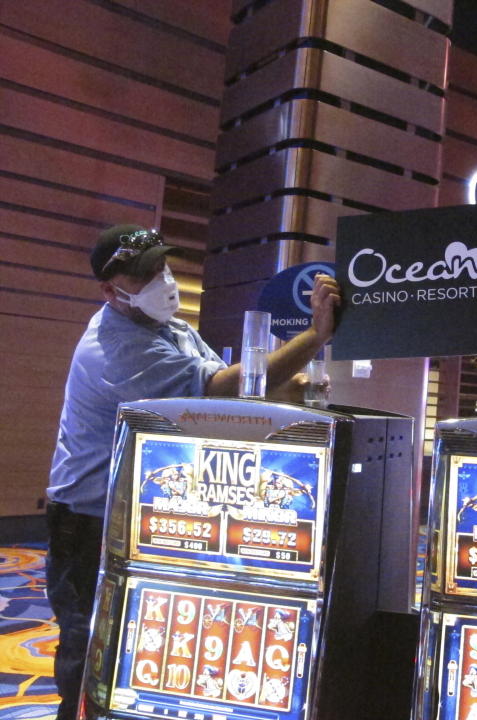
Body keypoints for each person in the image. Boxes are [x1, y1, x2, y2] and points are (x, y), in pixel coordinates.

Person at [44, 223, 340, 720]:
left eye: (161, 266)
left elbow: (243, 391)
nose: (161, 279)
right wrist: (315, 337)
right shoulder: (115, 347)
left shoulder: (172, 329)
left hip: (139, 507)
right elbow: (221, 390)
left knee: (141, 632)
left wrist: (303, 386)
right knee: (91, 639)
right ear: (109, 289)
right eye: (143, 275)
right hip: (88, 517)